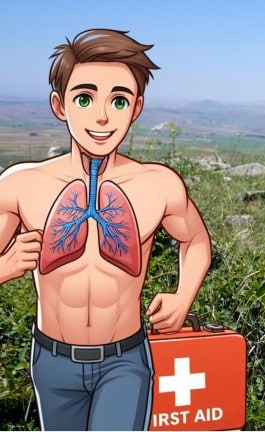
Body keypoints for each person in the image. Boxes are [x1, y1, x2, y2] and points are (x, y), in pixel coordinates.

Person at [0, 29, 211, 430]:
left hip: (124, 359)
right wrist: (6, 266)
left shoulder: (159, 184)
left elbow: (196, 239)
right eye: (85, 98)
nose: (102, 116)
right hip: (52, 360)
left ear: (136, 108)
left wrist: (184, 297)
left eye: (118, 101)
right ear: (60, 106)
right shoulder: (20, 185)